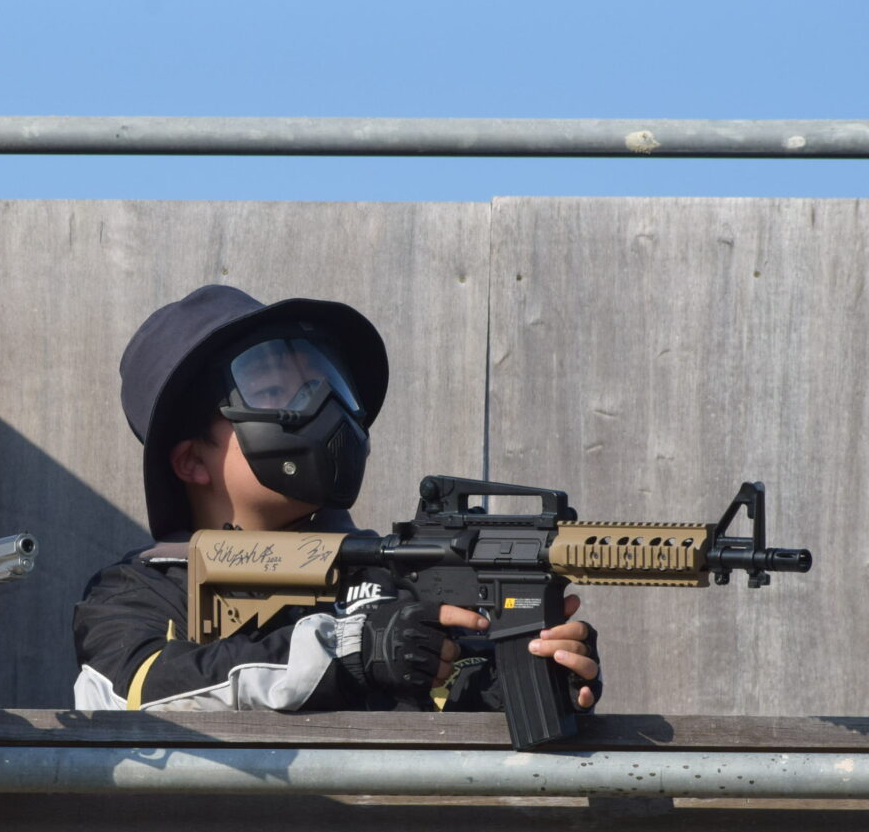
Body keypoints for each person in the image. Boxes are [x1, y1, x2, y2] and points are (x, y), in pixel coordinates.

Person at [73, 284, 599, 713]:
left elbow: (452, 708)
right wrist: (348, 650)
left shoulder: (396, 579)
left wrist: (528, 679)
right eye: (274, 393)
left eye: (324, 384)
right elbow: (135, 693)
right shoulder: (139, 594)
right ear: (191, 460)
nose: (323, 409)